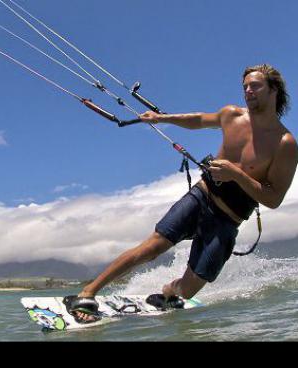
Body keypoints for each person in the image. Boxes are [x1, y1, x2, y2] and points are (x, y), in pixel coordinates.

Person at [71, 64, 298, 322]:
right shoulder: (231, 115)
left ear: (274, 90)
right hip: (201, 197)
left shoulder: (284, 144)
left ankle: (168, 292)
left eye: (255, 86)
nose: (247, 91)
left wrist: (236, 174)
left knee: (188, 290)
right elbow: (199, 119)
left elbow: (274, 198)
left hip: (227, 220)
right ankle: (88, 293)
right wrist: (162, 118)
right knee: (151, 247)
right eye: (245, 86)